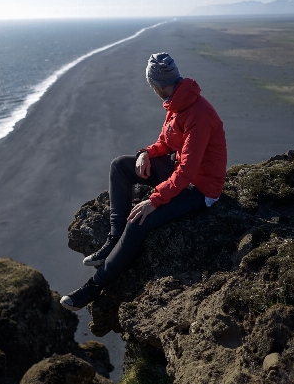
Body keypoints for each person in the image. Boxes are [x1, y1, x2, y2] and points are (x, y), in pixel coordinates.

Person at [60, 52, 227, 311]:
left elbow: (187, 170)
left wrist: (154, 200)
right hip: (180, 173)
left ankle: (94, 287)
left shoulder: (198, 113)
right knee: (120, 166)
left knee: (139, 220)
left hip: (200, 188)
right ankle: (114, 240)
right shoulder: (176, 103)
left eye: (151, 86)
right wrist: (146, 153)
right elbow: (166, 142)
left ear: (156, 85)